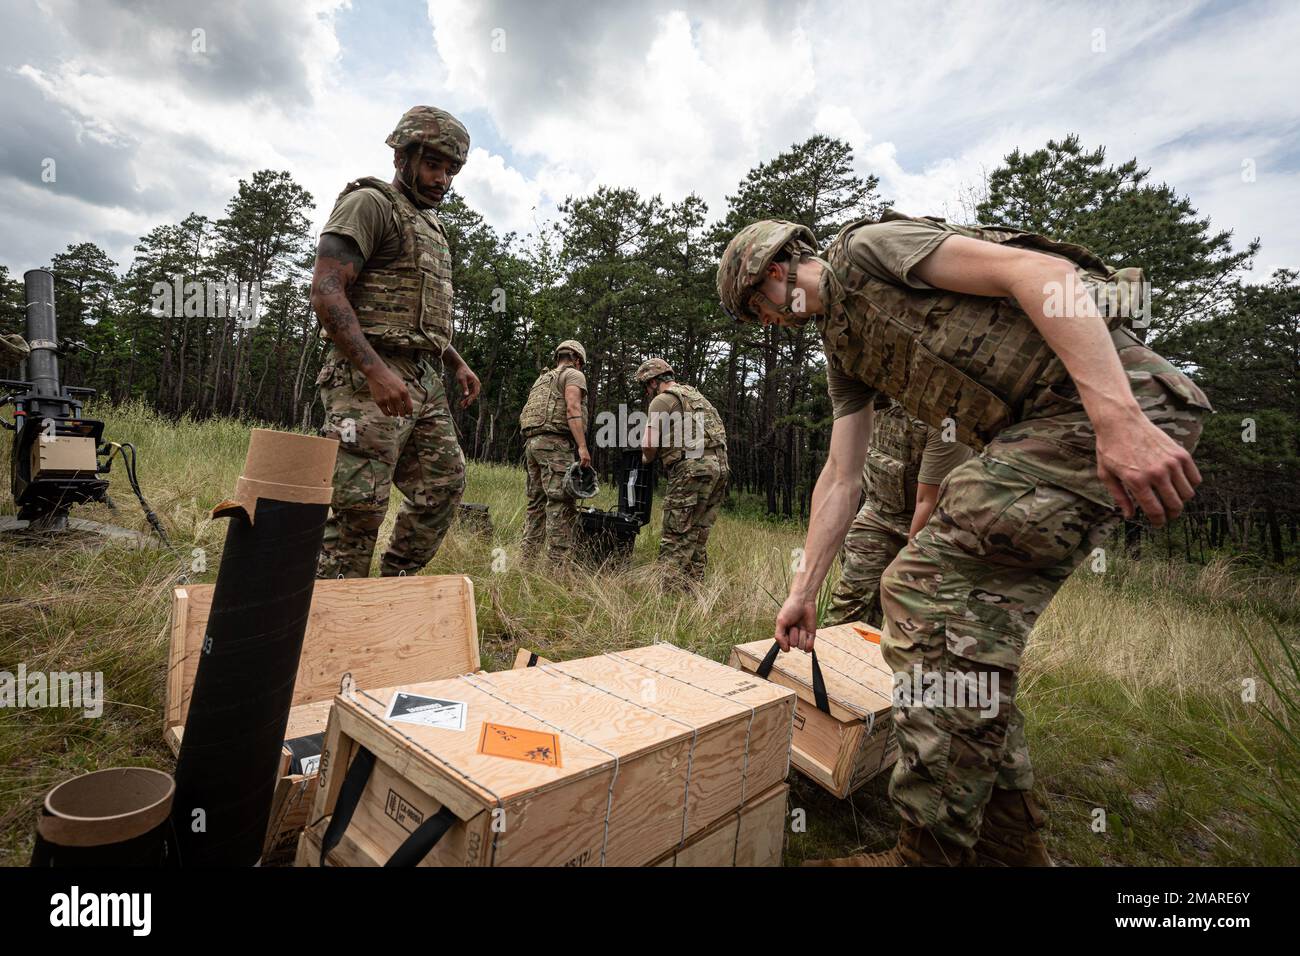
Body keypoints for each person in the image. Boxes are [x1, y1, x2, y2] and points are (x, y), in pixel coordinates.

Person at [718, 210, 1211, 865]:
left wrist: (1116, 418)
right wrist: (802, 590)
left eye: (761, 311)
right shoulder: (844, 350)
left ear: (775, 274)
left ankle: (928, 854)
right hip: (1047, 434)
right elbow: (842, 475)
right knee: (972, 643)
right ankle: (1007, 847)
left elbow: (1041, 273)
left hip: (1114, 410)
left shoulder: (868, 250)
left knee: (921, 591)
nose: (771, 326)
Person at [310, 106, 480, 578]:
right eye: (433, 165)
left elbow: (416, 316)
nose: (442, 180)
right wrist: (375, 371)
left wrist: (456, 362)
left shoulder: (431, 225)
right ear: (402, 155)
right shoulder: (370, 203)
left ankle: (393, 588)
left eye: (451, 170)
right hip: (367, 378)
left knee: (443, 486)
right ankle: (332, 608)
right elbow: (326, 292)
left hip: (424, 379)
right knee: (359, 506)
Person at [825, 396, 971, 627]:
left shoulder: (946, 418)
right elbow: (840, 475)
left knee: (911, 618)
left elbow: (928, 502)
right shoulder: (866, 395)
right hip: (878, 512)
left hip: (937, 524)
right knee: (850, 605)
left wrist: (905, 571)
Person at [635, 358, 729, 582]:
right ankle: (692, 591)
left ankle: (669, 595)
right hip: (719, 468)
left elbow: (649, 444)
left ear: (653, 381)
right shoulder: (696, 397)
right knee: (698, 534)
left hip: (691, 469)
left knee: (676, 534)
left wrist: (646, 459)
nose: (647, 392)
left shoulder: (663, 400)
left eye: (646, 386)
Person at [519, 340, 590, 565]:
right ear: (577, 360)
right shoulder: (574, 375)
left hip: (532, 445)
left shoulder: (542, 380)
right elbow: (572, 408)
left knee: (536, 505)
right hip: (555, 446)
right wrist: (582, 447)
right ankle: (556, 570)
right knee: (561, 504)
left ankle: (526, 564)